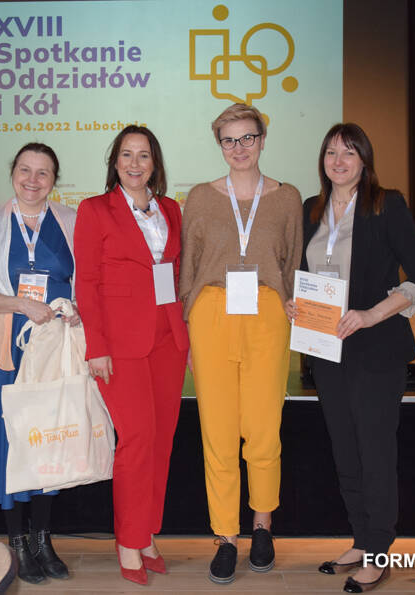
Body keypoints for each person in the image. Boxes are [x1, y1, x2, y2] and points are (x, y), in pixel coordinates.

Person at [285, 123, 415, 593]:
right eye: (331, 152)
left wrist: (371, 315)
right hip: (327, 349)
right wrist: (295, 302)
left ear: (364, 160)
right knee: (345, 450)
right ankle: (361, 538)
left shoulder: (386, 204)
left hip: (376, 348)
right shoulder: (312, 208)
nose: (339, 161)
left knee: (374, 451)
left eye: (349, 152)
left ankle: (378, 552)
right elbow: (307, 272)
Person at [179, 103, 302, 584]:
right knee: (218, 432)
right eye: (229, 140)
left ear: (262, 140)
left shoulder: (287, 197)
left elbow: (292, 262)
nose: (239, 148)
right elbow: (188, 265)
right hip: (212, 313)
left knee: (264, 428)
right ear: (220, 145)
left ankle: (263, 525)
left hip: (268, 314)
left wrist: (295, 302)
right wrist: (187, 326)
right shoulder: (200, 197)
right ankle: (226, 536)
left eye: (247, 137)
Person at [74, 125, 189, 585]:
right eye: (126, 154)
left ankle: (145, 534)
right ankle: (127, 539)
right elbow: (87, 283)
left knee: (161, 442)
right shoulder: (95, 209)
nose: (135, 163)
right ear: (115, 161)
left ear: (154, 163)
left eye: (143, 155)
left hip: (167, 341)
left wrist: (184, 336)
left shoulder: (171, 210)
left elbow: (174, 275)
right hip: (120, 346)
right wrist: (96, 347)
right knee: (137, 440)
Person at [0, 142, 76, 584]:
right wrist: (20, 304)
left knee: (48, 442)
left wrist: (76, 309)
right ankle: (18, 542)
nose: (33, 180)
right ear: (13, 173)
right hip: (8, 350)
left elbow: (85, 280)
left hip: (54, 348)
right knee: (12, 443)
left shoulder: (71, 220)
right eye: (25, 170)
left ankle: (43, 538)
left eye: (43, 172)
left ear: (54, 180)